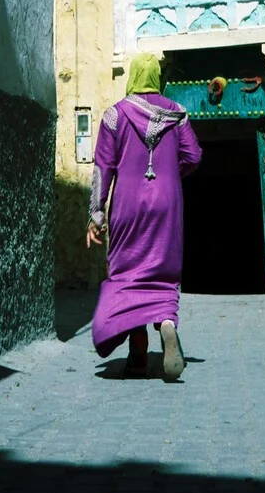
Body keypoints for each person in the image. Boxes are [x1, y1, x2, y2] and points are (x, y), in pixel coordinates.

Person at [86, 53, 202, 379]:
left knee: (128, 273)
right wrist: (170, 173)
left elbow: (102, 167)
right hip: (167, 204)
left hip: (127, 205)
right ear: (157, 79)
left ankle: (138, 355)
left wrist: (96, 214)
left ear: (133, 76)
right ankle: (166, 322)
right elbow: (193, 155)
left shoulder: (114, 115)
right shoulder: (177, 114)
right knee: (161, 273)